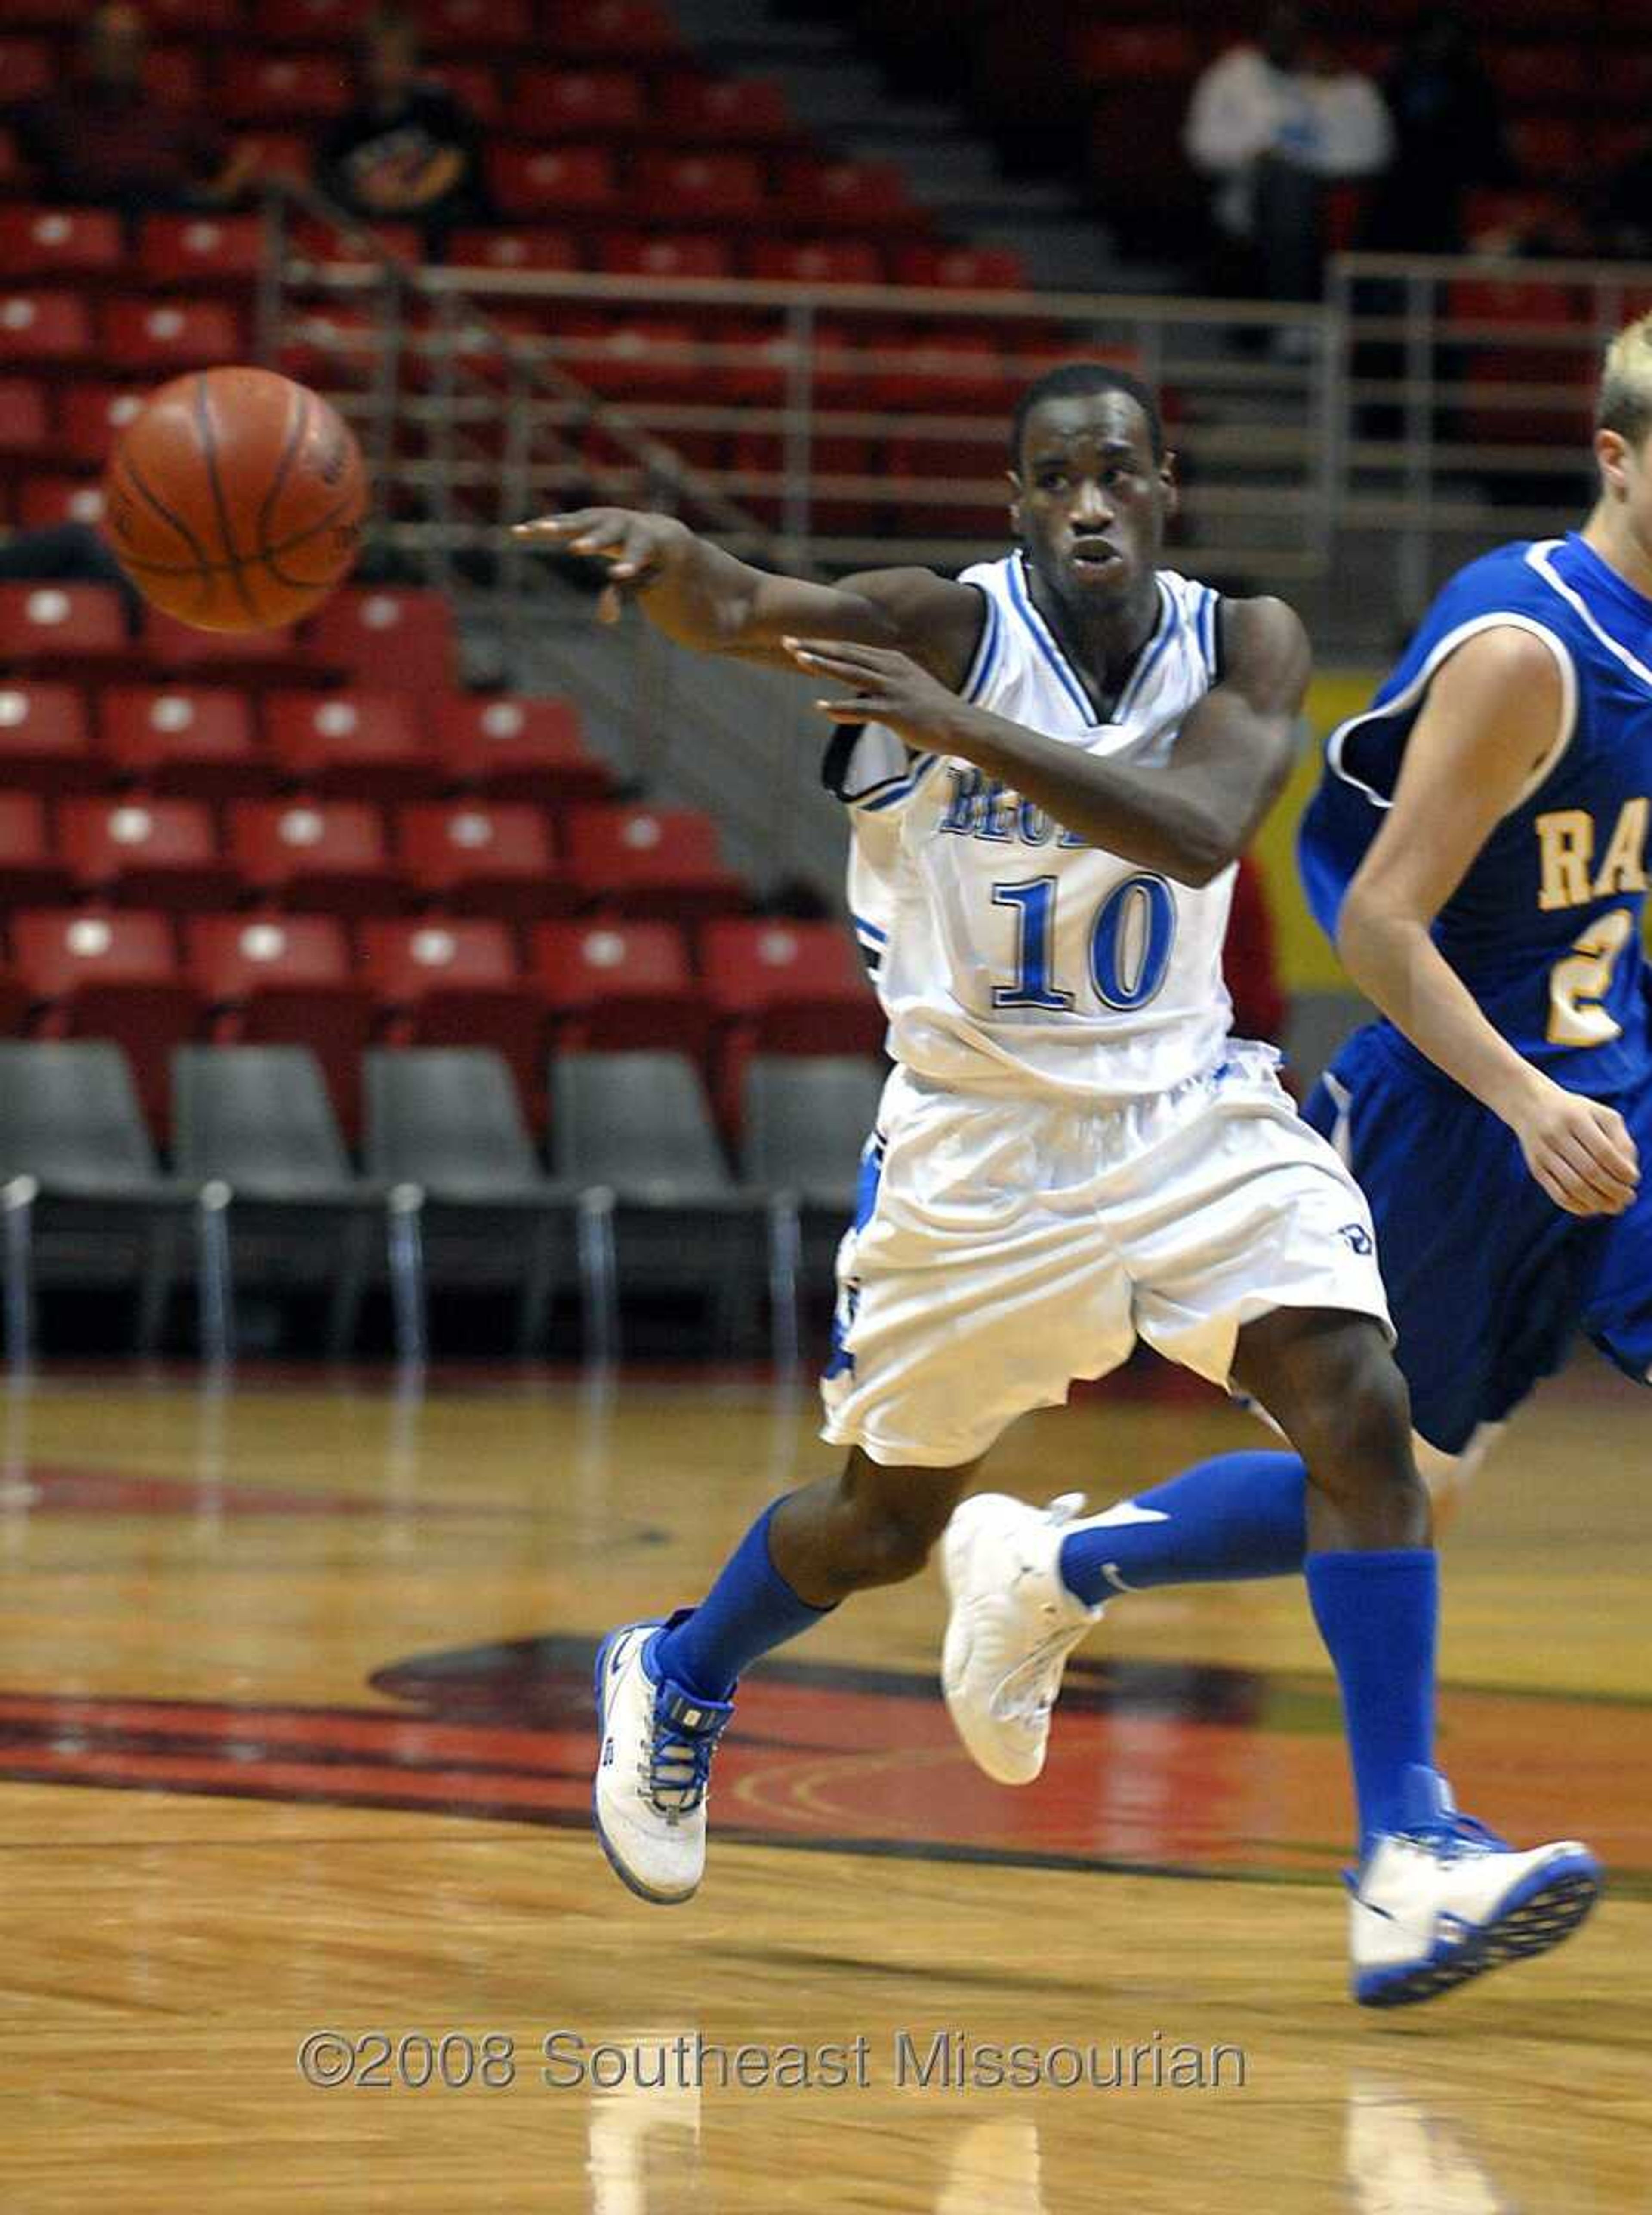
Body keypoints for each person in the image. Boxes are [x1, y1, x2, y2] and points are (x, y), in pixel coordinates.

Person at [515, 361, 1597, 2007]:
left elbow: (1196, 830)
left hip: (1185, 1110)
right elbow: (743, 603)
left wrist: (959, 737)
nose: (1086, 502)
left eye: (1114, 473)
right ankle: (675, 1671)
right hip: (975, 1146)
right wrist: (667, 556)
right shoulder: (934, 625)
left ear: (1164, 486)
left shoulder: (1250, 642)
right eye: (1050, 480)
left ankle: (1405, 1859)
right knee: (885, 1525)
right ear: (1017, 506)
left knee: (1361, 1412)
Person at [1024, 312, 1652, 1956]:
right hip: (1461, 1112)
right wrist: (1524, 1099)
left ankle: (1396, 1846)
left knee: (1395, 1490)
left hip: (1610, 1091)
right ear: (1617, 457)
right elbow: (1375, 921)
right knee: (1392, 1489)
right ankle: (1060, 1571)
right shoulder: (1534, 645)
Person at [1184, 3, 1391, 307]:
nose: (1284, 38)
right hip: (1250, 199)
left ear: (1310, 34)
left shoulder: (1346, 85)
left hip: (1333, 200)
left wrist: (1334, 96)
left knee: (1297, 183)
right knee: (1285, 182)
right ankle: (1293, 316)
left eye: (1294, 30)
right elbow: (1202, 147)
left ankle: (1309, 311)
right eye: (1277, 29)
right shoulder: (1231, 77)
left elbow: (1375, 154)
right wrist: (1255, 154)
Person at [9, 2, 255, 216]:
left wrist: (220, 194)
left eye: (129, 44)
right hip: (84, 234)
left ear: (143, 52)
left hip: (166, 223)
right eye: (107, 42)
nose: (119, 53)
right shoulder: (47, 111)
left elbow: (241, 156)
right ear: (86, 48)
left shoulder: (170, 113)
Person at [315, 9, 489, 256]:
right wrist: (374, 199)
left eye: (398, 57)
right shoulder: (343, 128)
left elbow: (453, 165)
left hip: (438, 240)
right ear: (363, 61)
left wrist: (406, 198)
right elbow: (338, 190)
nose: (388, 67)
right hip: (371, 241)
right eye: (379, 57)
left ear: (414, 60)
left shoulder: (442, 110)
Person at [1361, 5, 1508, 257]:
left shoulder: (1475, 86)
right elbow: (1378, 135)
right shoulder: (1398, 80)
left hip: (1449, 186)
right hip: (1399, 182)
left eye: (1446, 37)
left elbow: (1485, 145)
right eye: (1432, 36)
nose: (1437, 44)